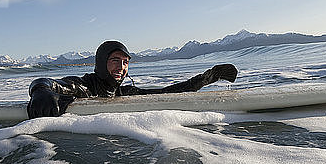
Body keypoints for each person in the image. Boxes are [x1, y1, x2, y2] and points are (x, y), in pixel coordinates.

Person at [27, 40, 238, 118]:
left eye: (126, 62)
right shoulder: (85, 86)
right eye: (115, 60)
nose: (121, 67)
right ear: (101, 63)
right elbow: (48, 82)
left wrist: (207, 78)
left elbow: (166, 94)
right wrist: (41, 91)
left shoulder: (124, 93)